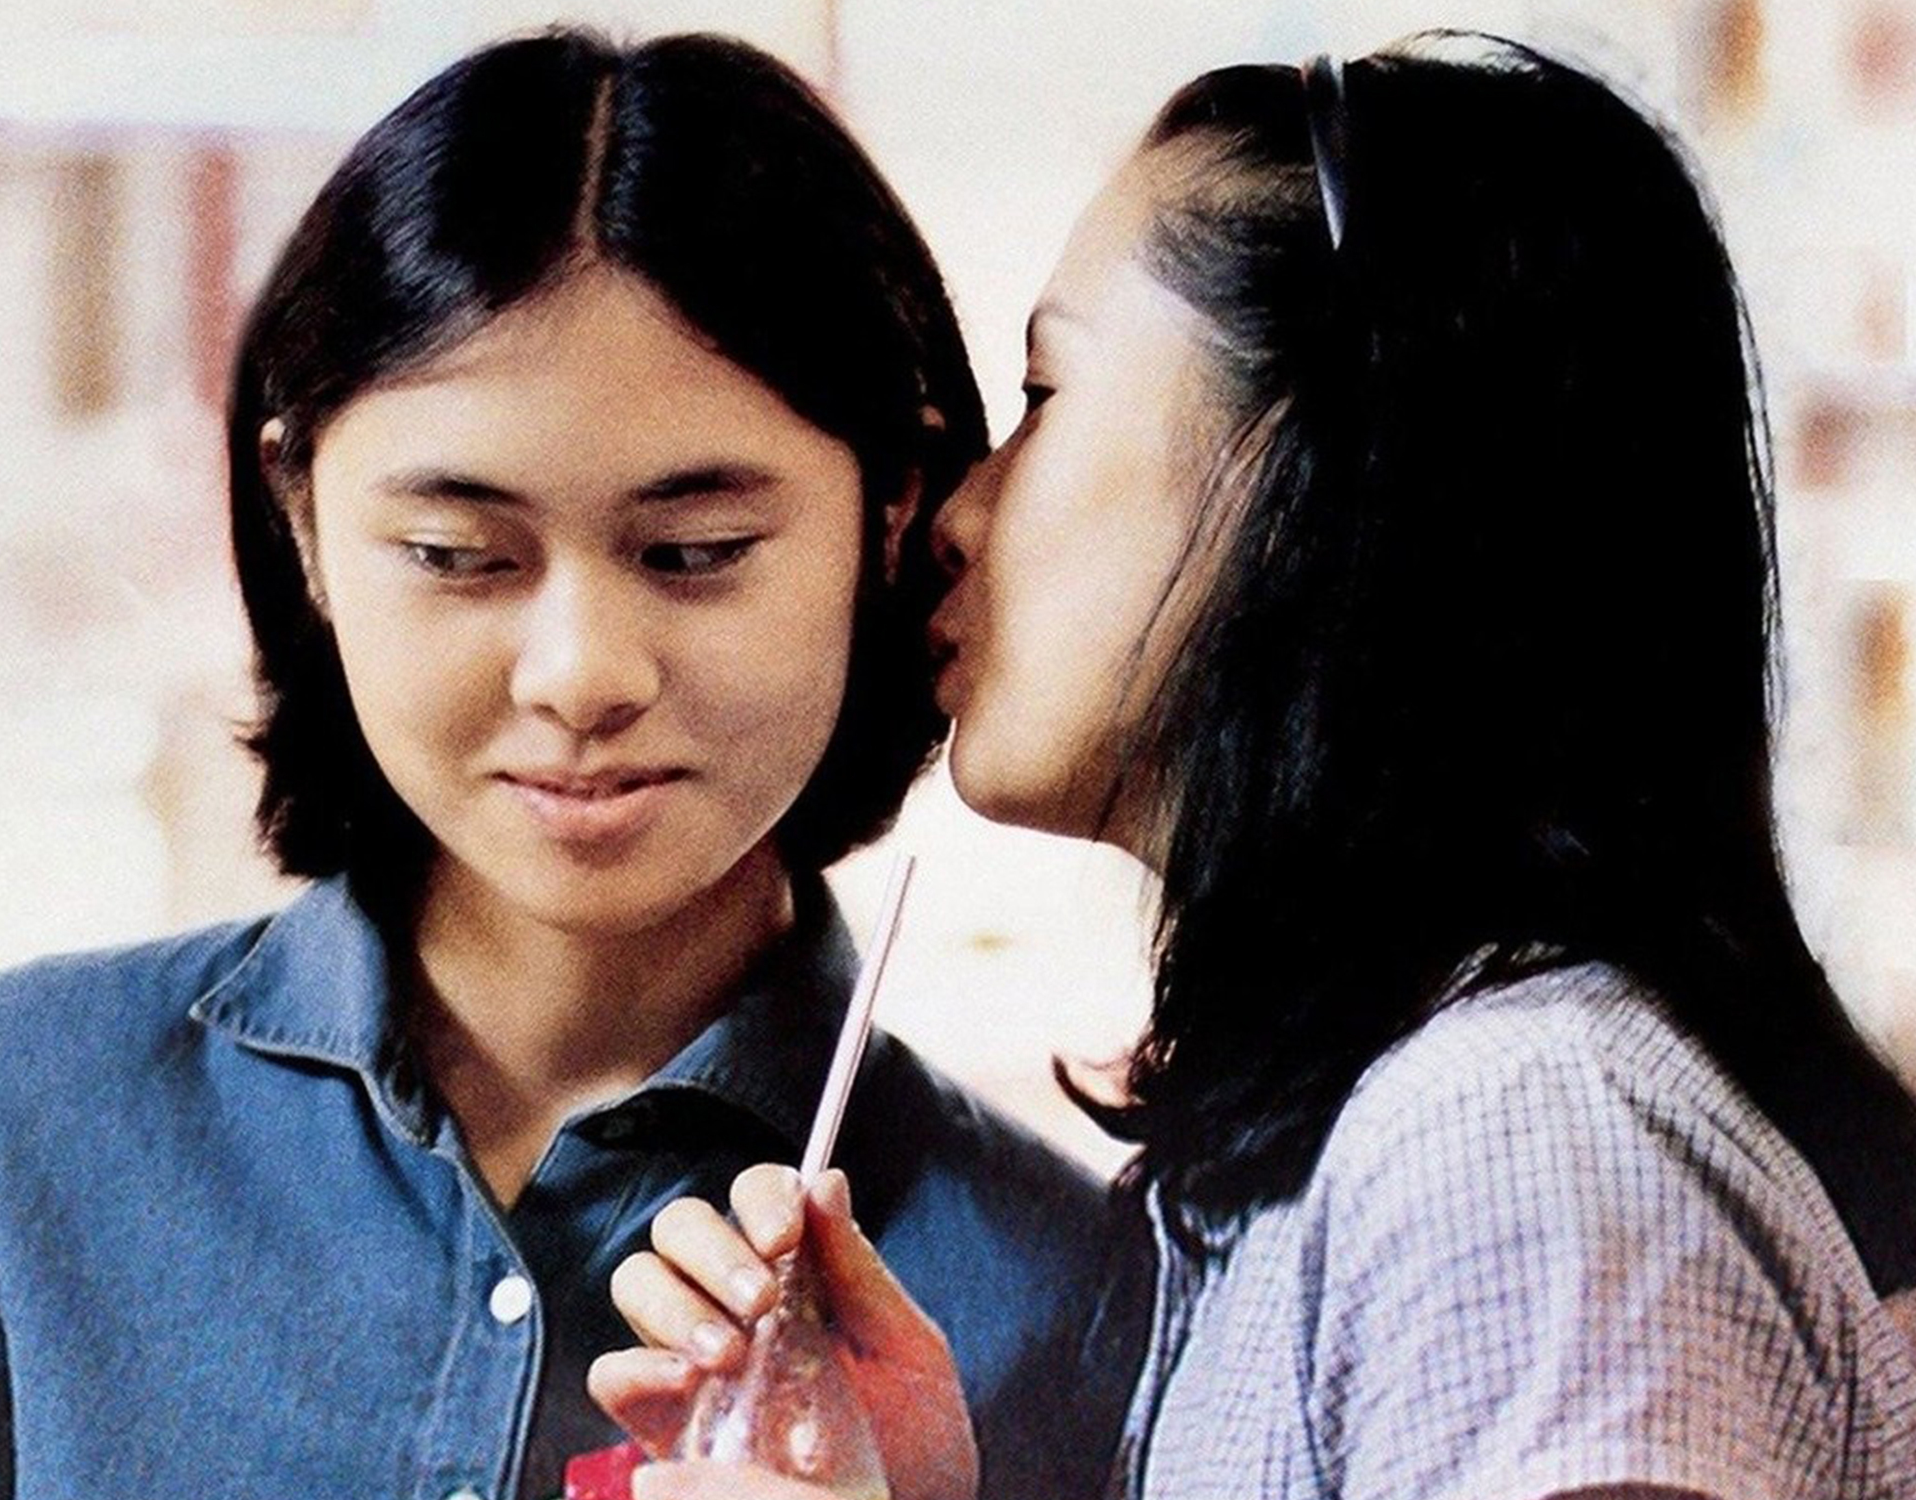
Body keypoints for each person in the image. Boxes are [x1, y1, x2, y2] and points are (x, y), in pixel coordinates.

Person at [593, 33, 1916, 1500]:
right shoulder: (1381, 1127)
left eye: (1044, 395)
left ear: (1313, 467)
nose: (959, 515)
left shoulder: (1514, 1132)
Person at [0, 29, 1144, 1500]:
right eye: (458, 555)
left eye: (696, 554)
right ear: (299, 514)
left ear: (892, 513)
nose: (581, 674)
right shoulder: (4, 1117)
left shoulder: (1062, 1292)